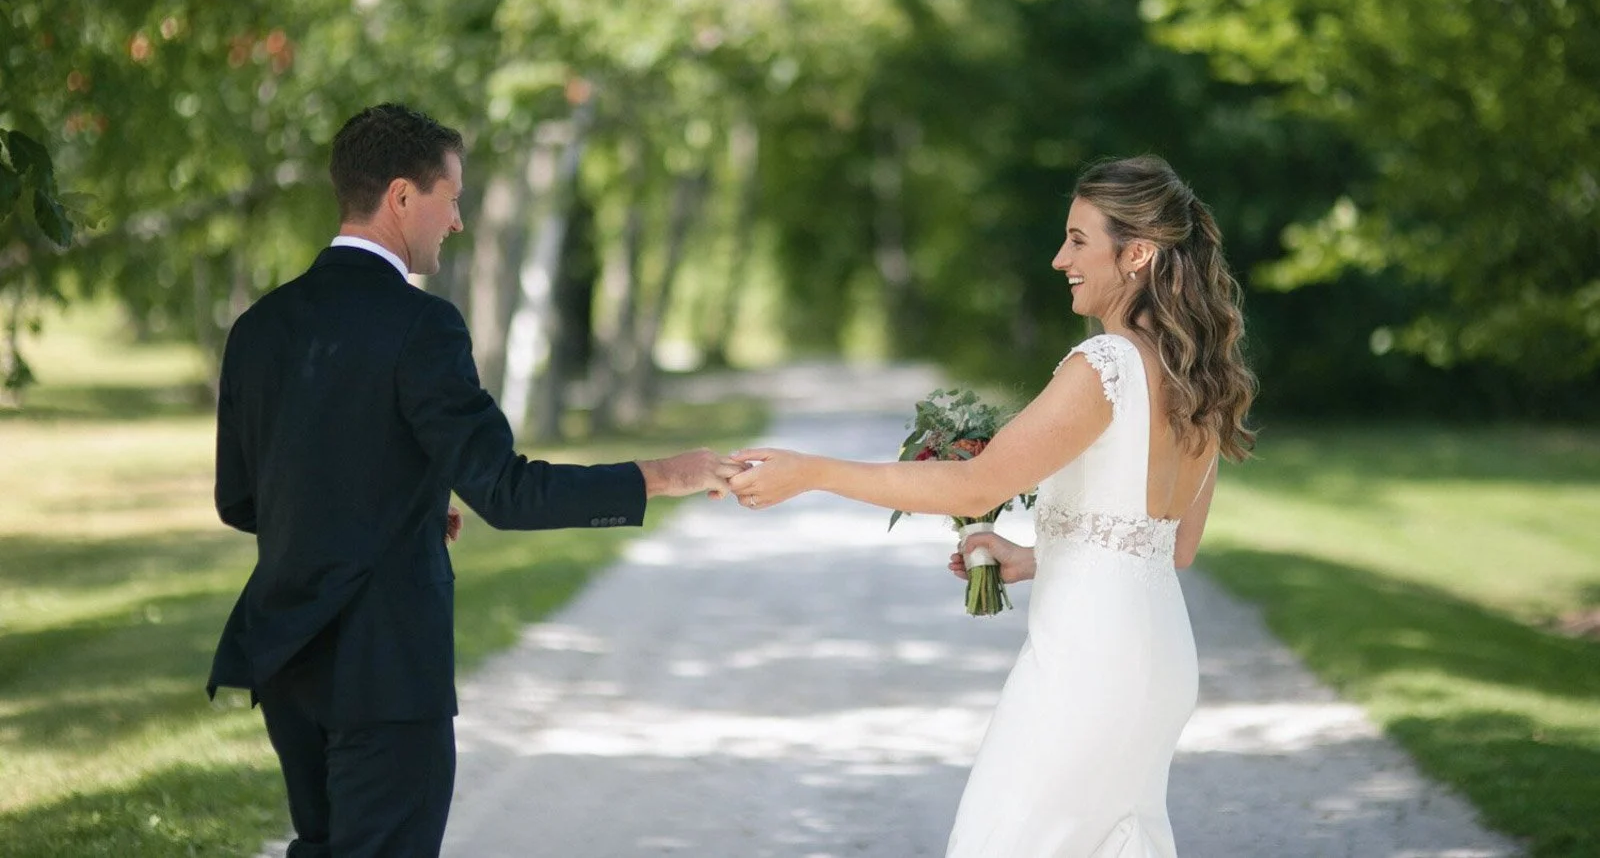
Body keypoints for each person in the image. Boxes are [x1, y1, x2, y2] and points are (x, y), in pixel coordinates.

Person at [206, 103, 741, 858]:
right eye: (450, 196)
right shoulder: (423, 325)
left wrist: (406, 507)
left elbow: (243, 498)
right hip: (387, 666)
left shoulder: (260, 324)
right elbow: (507, 492)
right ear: (401, 196)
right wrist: (662, 473)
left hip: (288, 658)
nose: (456, 220)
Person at [729, 155, 1256, 857]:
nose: (1057, 257)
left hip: (1089, 661)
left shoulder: (1102, 367)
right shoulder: (1201, 379)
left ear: (1137, 253)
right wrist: (1038, 556)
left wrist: (813, 470)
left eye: (1077, 239)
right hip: (1160, 658)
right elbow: (1173, 544)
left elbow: (976, 485)